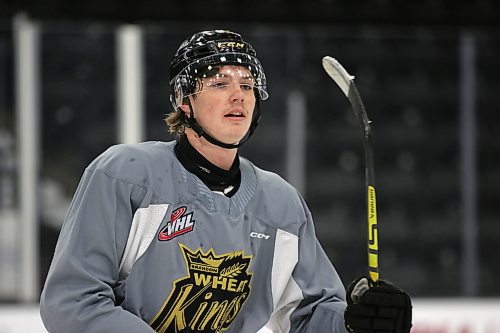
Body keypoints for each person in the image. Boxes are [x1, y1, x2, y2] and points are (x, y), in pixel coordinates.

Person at [40, 29, 412, 333]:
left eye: (247, 85)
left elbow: (309, 314)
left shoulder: (279, 204)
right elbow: (73, 301)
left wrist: (353, 324)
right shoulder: (126, 174)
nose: (238, 95)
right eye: (219, 83)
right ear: (184, 100)